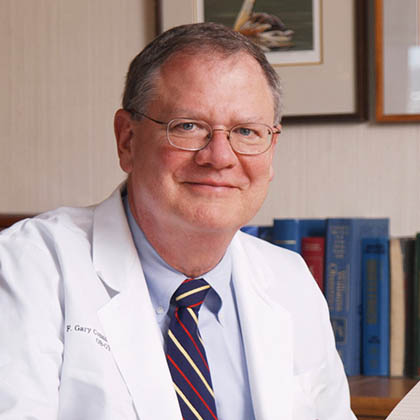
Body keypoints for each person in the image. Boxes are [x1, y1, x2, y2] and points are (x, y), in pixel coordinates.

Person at [0, 23, 356, 420]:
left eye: (246, 131)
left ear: (272, 149)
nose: (219, 156)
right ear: (127, 140)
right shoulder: (27, 266)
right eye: (189, 126)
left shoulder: (290, 279)